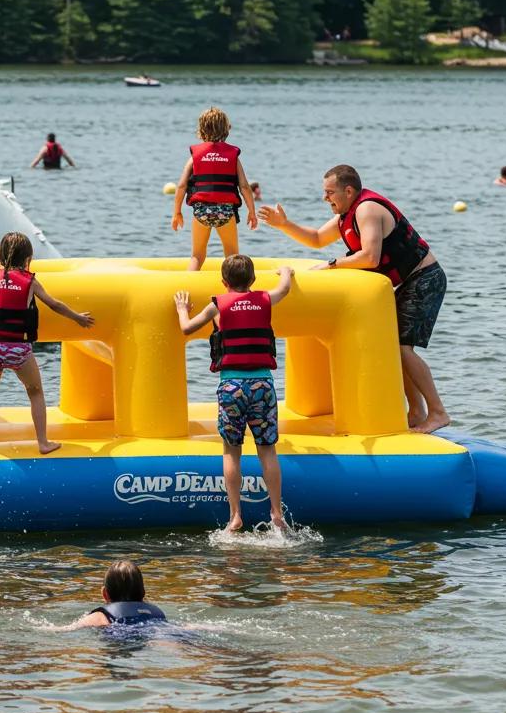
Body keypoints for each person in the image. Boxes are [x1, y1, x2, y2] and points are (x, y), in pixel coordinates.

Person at [260, 164, 449, 434]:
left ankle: (438, 412)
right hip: (409, 282)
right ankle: (417, 411)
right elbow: (316, 238)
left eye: (329, 193)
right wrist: (284, 225)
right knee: (395, 346)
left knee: (401, 348)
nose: (325, 199)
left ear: (348, 191)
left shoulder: (367, 209)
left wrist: (332, 265)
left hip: (425, 278)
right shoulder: (346, 214)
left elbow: (370, 257)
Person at [175, 254, 294, 532]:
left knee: (232, 452)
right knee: (267, 450)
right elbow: (285, 288)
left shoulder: (217, 305)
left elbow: (186, 328)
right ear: (252, 280)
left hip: (232, 387)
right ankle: (277, 513)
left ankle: (235, 516)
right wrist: (286, 271)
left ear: (223, 281)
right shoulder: (265, 299)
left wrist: (182, 308)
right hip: (262, 386)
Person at [0, 231, 94, 455]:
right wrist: (78, 318)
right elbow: (54, 304)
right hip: (19, 349)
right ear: (27, 258)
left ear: (0, 257)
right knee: (35, 392)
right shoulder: (29, 281)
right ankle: (43, 442)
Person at [171, 107, 259, 271]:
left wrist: (177, 212)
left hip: (201, 211)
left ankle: (187, 287)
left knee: (197, 255)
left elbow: (182, 185)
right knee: (232, 255)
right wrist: (252, 212)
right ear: (227, 129)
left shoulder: (195, 156)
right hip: (225, 211)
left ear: (201, 130)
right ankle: (234, 290)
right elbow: (245, 186)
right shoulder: (232, 155)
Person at [60, 560, 167, 629]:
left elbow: (68, 629)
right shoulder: (156, 614)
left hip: (119, 639)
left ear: (105, 594)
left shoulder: (100, 617)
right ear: (143, 592)